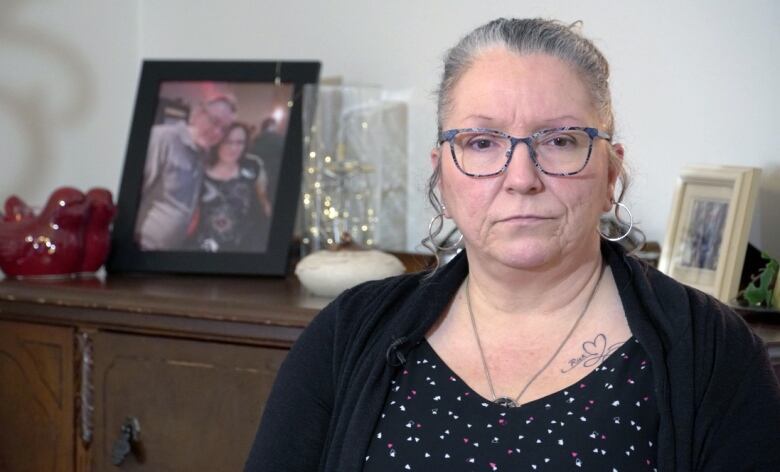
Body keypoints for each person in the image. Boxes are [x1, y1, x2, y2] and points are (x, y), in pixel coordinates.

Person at [245, 18, 780, 471]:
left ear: (611, 172)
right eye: (481, 143)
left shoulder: (714, 353)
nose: (521, 177)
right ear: (442, 177)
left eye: (560, 140)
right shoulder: (345, 335)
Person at [134, 94, 237, 250]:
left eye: (224, 129)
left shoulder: (205, 153)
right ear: (198, 113)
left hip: (172, 250)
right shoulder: (162, 138)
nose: (217, 132)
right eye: (214, 121)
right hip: (143, 247)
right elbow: (133, 194)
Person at [188, 122, 272, 252]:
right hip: (204, 248)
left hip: (244, 248)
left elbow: (263, 205)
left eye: (240, 142)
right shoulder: (199, 171)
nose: (234, 148)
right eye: (227, 141)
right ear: (217, 142)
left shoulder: (252, 169)